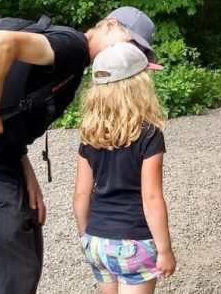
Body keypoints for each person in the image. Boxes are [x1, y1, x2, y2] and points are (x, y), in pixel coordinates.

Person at [0, 6, 158, 294]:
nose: (131, 54)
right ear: (110, 25)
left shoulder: (76, 62)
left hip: (0, 165)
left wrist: (24, 166)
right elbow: (0, 42)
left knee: (21, 269)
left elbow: (16, 104)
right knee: (3, 280)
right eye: (130, 44)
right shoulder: (73, 46)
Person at [74, 42, 176, 293]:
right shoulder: (149, 134)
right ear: (138, 87)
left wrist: (85, 236)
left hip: (97, 240)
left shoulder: (90, 133)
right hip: (133, 241)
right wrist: (165, 250)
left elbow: (81, 194)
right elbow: (151, 197)